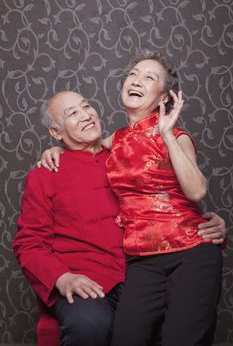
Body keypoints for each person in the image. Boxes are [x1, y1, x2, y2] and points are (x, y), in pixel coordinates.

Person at [39, 50, 225, 346]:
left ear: (163, 97)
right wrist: (58, 147)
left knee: (181, 339)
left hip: (190, 251)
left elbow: (197, 191)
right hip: (143, 261)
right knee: (126, 337)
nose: (137, 80)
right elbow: (84, 145)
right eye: (133, 74)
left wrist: (166, 135)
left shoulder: (177, 136)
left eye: (149, 77)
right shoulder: (117, 138)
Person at [13, 91, 127, 346]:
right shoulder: (44, 175)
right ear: (56, 132)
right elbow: (29, 244)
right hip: (83, 281)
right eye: (72, 113)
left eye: (86, 106)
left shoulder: (125, 159)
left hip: (137, 276)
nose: (86, 115)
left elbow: (164, 201)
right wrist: (62, 278)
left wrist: (199, 224)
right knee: (90, 325)